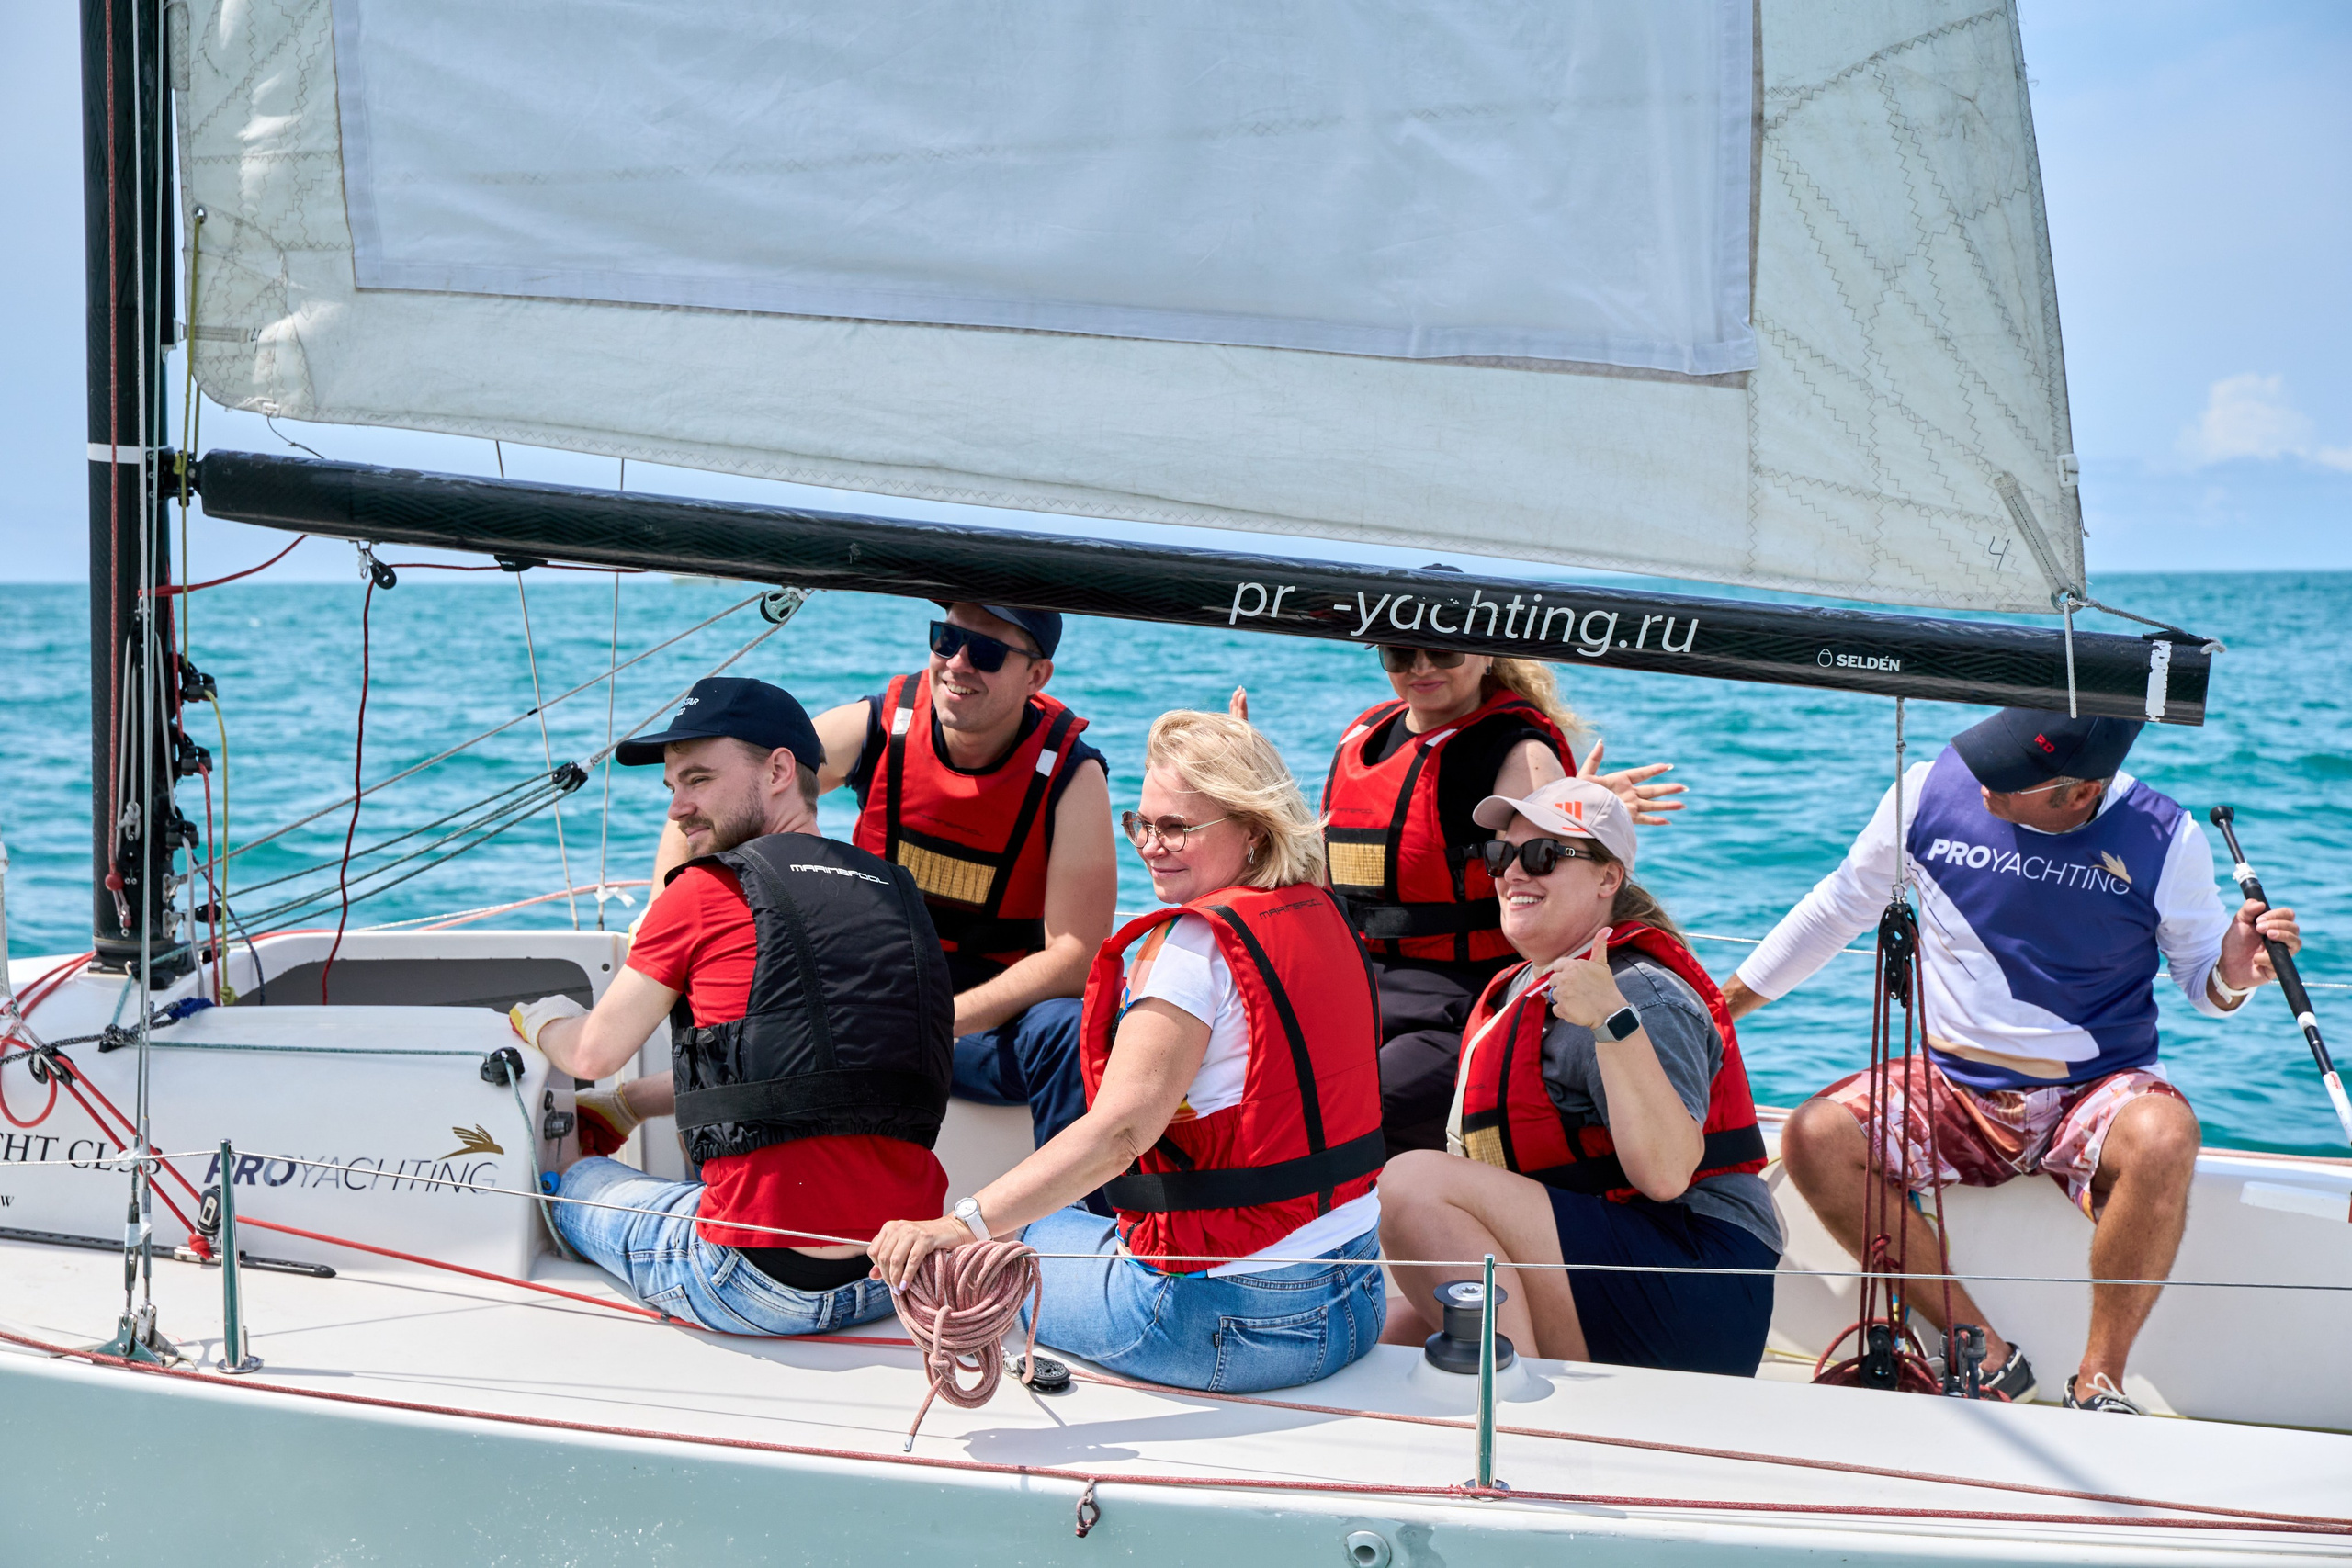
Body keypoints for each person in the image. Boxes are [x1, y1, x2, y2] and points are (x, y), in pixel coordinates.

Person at [1724, 708, 2303, 1413]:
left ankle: (2100, 1381)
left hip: (2091, 1092)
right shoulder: (1927, 789)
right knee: (1814, 1133)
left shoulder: (2166, 836)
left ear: (2080, 791)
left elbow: (2205, 985)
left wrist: (2236, 972)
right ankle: (1985, 1351)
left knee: (2166, 1133)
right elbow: (1839, 907)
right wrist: (1718, 1007)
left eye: (2009, 777)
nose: (1984, 782)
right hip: (1953, 1086)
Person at [869, 711, 1387, 1393]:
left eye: (1176, 827)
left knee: (987, 1256)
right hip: (1355, 1301)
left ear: (1253, 831)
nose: (1151, 845)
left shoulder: (1194, 950)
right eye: (1139, 823)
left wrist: (959, 1226)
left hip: (1225, 1325)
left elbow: (1120, 1133)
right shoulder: (1321, 913)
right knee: (1054, 1221)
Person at [507, 677, 956, 1335]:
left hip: (749, 1282)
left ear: (778, 770)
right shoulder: (895, 891)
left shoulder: (705, 890)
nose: (678, 808)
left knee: (572, 1180)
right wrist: (630, 1104)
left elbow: (592, 1051)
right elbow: (793, 1070)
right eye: (672, 787)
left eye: (698, 779)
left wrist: (539, 1017)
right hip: (894, 1274)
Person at [622, 604, 1115, 1156]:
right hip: (865, 995)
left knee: (1071, 1030)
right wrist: (666, 910)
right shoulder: (879, 727)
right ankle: (678, 1152)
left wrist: (934, 1020)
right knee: (731, 963)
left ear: (1037, 676)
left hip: (979, 1025)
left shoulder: (1071, 773)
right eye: (946, 639)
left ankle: (1076, 1226)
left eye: (988, 652)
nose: (958, 663)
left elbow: (1075, 957)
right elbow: (713, 796)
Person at [1380, 778, 1781, 1375]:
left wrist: (1611, 1020)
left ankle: (1516, 1419)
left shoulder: (1642, 991)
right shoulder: (1519, 990)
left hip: (1700, 1289)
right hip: (1616, 1278)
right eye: (1501, 855)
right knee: (1384, 1337)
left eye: (1542, 855)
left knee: (1409, 1183)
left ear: (1607, 878)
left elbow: (1669, 1174)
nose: (1514, 872)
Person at [1306, 649, 1683, 1154]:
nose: (1421, 668)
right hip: (1356, 987)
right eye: (1400, 653)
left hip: (1457, 1004)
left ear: (1484, 654)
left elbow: (1546, 864)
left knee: (1334, 1118)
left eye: (1441, 651)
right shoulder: (1367, 731)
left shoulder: (1517, 751)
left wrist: (1582, 806)